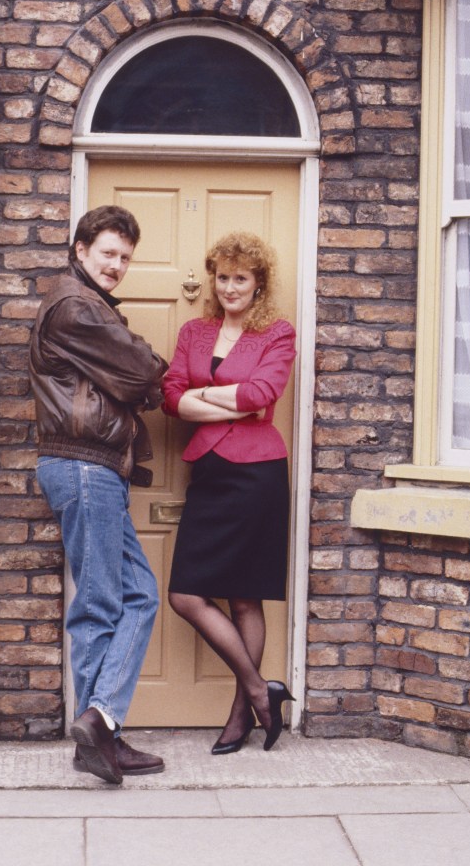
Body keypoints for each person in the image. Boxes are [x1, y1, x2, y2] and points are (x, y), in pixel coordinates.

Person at [29, 205, 168, 785]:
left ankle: (100, 731)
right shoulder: (76, 306)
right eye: (108, 253)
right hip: (84, 467)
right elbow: (143, 374)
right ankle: (101, 726)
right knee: (105, 604)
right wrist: (150, 366)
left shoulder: (86, 305)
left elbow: (136, 376)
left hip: (92, 469)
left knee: (135, 595)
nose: (117, 265)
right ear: (81, 249)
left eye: (126, 258)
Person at [162, 232, 296, 755]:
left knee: (245, 596)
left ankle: (242, 715)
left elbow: (263, 395)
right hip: (210, 474)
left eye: (241, 278)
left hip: (257, 475)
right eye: (223, 277)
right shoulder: (195, 332)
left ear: (258, 282)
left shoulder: (276, 333)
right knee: (185, 595)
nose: (230, 286)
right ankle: (264, 691)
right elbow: (171, 398)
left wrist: (206, 397)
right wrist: (231, 402)